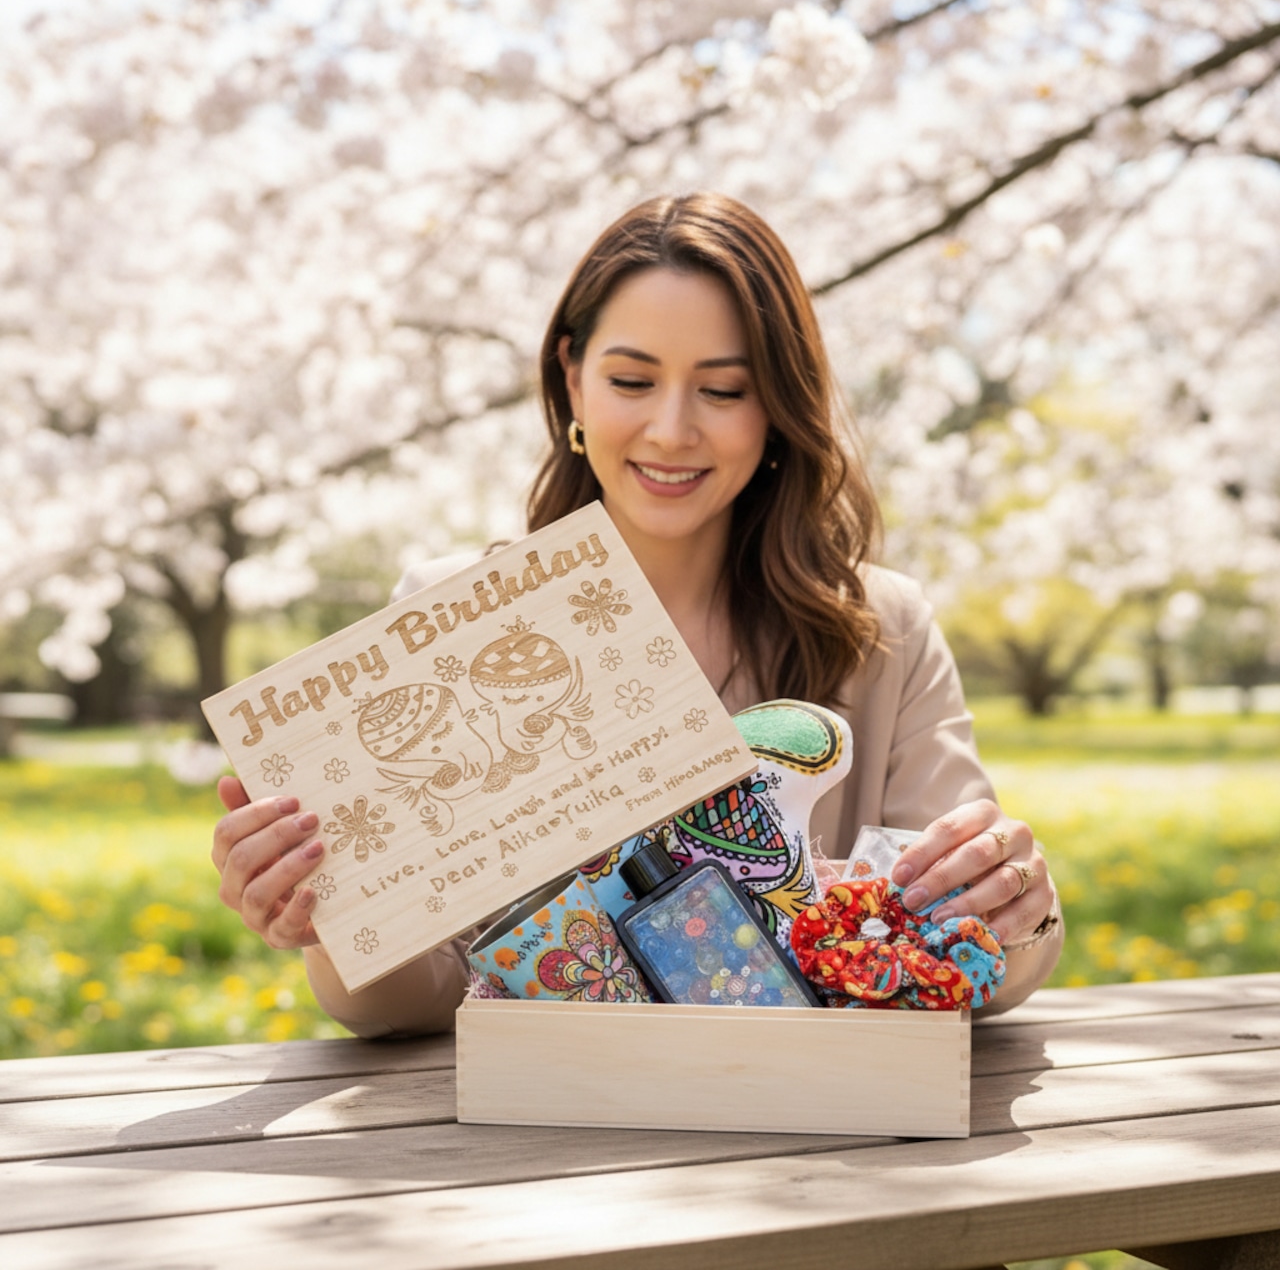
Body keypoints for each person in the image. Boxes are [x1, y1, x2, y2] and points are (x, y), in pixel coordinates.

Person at [211, 192, 1063, 1036]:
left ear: (777, 406)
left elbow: (973, 950)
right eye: (631, 380)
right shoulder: (450, 620)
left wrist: (1013, 903)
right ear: (572, 376)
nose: (670, 429)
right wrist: (331, 922)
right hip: (544, 1135)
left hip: (810, 1138)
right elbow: (426, 995)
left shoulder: (882, 629)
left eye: (723, 391)